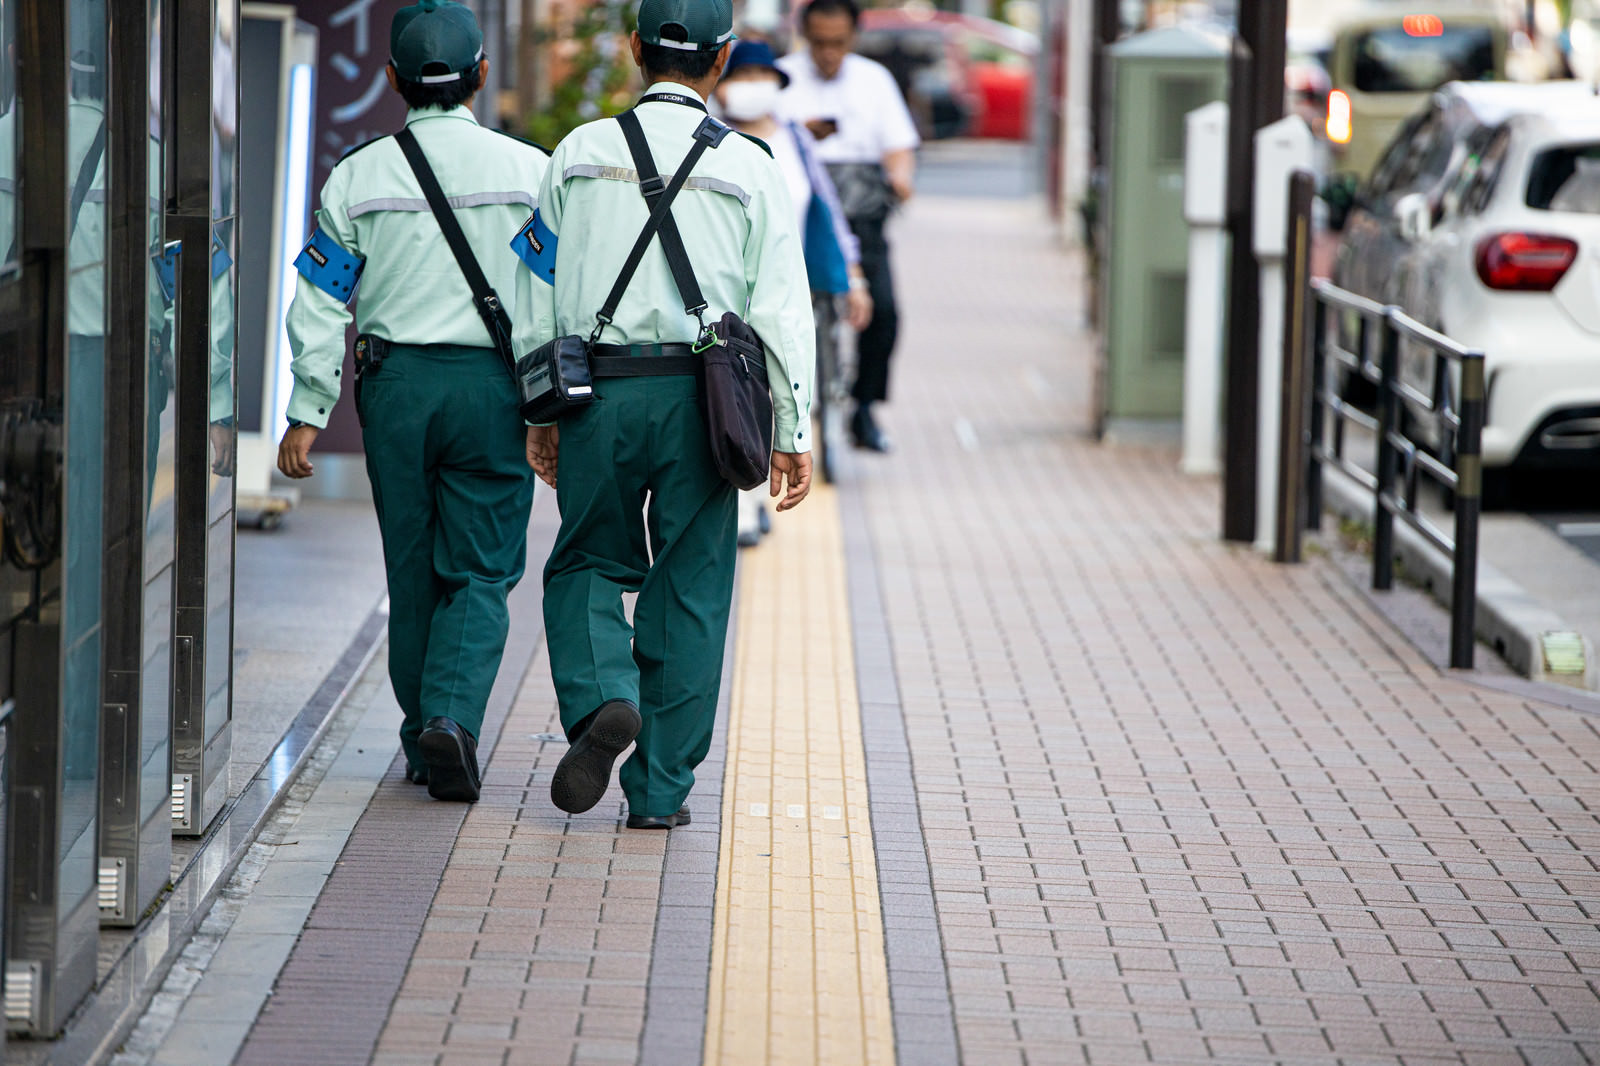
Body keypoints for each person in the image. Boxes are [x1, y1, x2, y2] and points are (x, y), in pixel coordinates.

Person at [516, 0, 815, 830]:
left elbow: (532, 289)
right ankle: (658, 795)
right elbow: (784, 310)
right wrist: (791, 429)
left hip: (596, 394)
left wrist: (536, 408)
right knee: (690, 587)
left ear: (635, 50)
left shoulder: (577, 153)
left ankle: (606, 697)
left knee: (583, 562)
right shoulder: (752, 166)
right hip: (708, 401)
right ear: (720, 63)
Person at [279, 0, 549, 803]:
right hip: (492, 389)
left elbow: (323, 298)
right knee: (483, 567)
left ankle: (423, 734)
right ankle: (451, 720)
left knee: (412, 566)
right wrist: (546, 412)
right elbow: (548, 300)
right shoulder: (528, 171)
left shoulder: (355, 175)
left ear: (391, 78)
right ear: (482, 76)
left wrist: (308, 406)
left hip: (393, 389)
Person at [714, 38, 870, 546]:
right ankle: (743, 503)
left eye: (764, 78)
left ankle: (756, 496)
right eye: (744, 77)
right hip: (722, 295)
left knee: (774, 392)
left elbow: (827, 210)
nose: (754, 89)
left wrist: (854, 276)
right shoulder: (707, 138)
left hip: (787, 292)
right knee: (734, 395)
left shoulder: (796, 141)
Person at [777, 0, 918, 453]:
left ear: (853, 38)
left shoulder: (874, 80)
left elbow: (899, 146)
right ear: (804, 36)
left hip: (860, 208)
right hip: (796, 210)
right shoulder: (780, 78)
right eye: (818, 43)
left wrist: (901, 178)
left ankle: (863, 408)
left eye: (837, 43)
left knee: (886, 312)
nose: (828, 53)